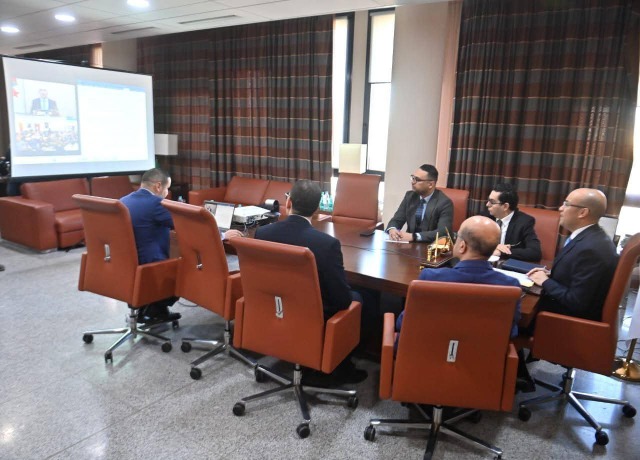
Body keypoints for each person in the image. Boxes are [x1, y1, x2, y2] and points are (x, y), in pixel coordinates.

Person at [255, 179, 371, 384]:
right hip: (310, 312)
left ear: (288, 202)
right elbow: (341, 300)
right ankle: (339, 368)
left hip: (273, 305)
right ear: (317, 209)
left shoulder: (263, 233)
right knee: (358, 298)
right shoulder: (326, 244)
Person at [120, 169, 243, 323]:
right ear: (158, 186)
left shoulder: (124, 200)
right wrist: (223, 235)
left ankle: (152, 309)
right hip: (151, 267)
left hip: (128, 266)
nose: (167, 193)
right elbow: (190, 226)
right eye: (167, 188)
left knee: (178, 256)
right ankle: (154, 309)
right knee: (188, 269)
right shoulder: (156, 204)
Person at [395, 216, 522, 339]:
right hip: (484, 352)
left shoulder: (431, 277)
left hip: (428, 349)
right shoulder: (511, 285)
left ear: (462, 246)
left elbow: (403, 322)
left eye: (456, 237)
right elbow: (511, 331)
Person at [527, 188, 618, 321]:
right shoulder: (590, 237)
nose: (560, 208)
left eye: (566, 204)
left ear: (583, 212)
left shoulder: (592, 249)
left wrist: (546, 281)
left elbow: (577, 302)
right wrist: (551, 274)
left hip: (563, 321)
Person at [386, 164, 453, 243]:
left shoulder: (444, 203)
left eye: (417, 179)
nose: (412, 182)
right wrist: (392, 229)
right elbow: (397, 220)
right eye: (413, 178)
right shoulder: (410, 196)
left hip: (430, 246)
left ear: (430, 184)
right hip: (409, 246)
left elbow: (443, 232)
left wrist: (414, 236)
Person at [485, 183, 542, 262]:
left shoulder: (524, 222)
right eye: (488, 200)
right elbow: (470, 242)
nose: (487, 204)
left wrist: (502, 252)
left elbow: (535, 253)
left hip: (506, 265)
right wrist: (494, 247)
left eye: (492, 202)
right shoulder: (485, 217)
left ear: (505, 206)